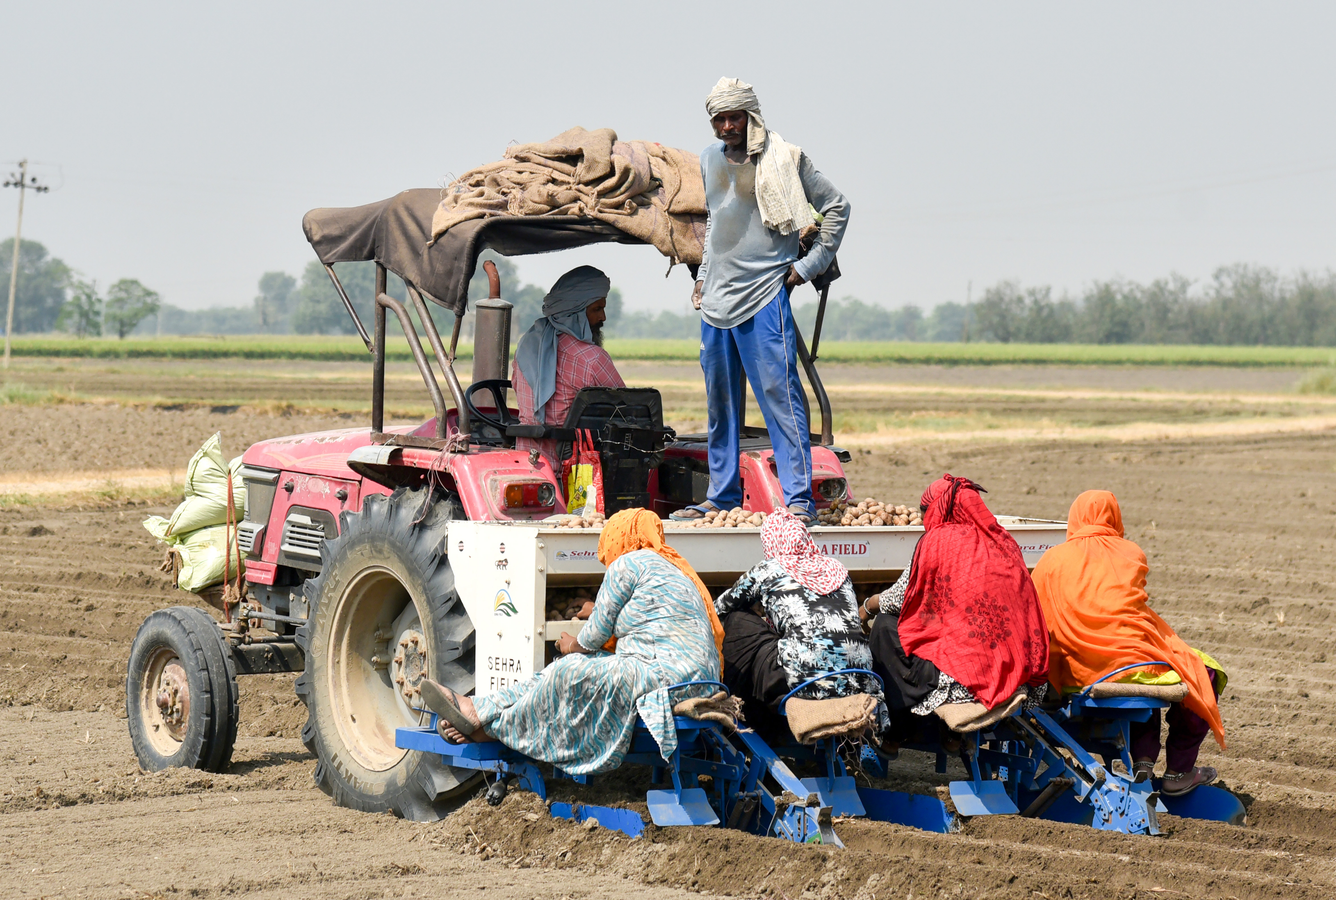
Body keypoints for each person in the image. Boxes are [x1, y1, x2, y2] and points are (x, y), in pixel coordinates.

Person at [419, 508, 724, 776]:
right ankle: (478, 708)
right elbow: (650, 621)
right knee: (557, 673)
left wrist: (570, 645)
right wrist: (597, 614)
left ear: (620, 538)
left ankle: (491, 728)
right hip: (702, 681)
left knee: (567, 670)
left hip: (665, 679)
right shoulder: (675, 569)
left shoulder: (627, 564)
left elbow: (594, 637)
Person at [671, 78, 849, 525]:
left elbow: (837, 207)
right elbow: (716, 223)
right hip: (717, 301)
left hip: (766, 294)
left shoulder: (786, 158)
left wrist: (806, 268)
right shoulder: (709, 160)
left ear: (753, 116)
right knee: (721, 404)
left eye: (736, 117)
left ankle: (799, 501)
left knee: (781, 398)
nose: (728, 126)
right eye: (719, 118)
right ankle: (723, 494)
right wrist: (704, 278)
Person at [1031, 490, 1226, 795]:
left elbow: (1038, 616)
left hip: (1076, 671)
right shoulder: (1131, 553)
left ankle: (1144, 764)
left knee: (1139, 663)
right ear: (1114, 517)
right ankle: (1178, 772)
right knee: (1199, 671)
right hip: (1129, 662)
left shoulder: (1051, 559)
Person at [866, 475, 1050, 740]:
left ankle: (897, 734)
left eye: (925, 512)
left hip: (966, 681)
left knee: (885, 627)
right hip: (1018, 673)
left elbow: (900, 600)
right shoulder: (1003, 542)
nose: (924, 521)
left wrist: (868, 605)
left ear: (939, 510)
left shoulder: (938, 541)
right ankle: (952, 737)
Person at [714, 510, 883, 725]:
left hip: (804, 681)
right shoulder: (837, 569)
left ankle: (742, 719)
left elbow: (720, 607)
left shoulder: (769, 569)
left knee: (737, 620)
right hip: (859, 679)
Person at [511, 265, 625, 475]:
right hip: (573, 473)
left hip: (525, 463)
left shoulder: (525, 346)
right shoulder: (592, 358)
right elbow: (627, 411)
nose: (603, 317)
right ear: (576, 313)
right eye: (597, 309)